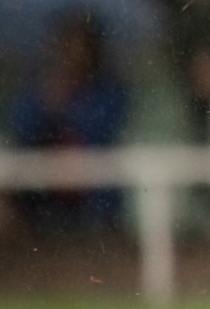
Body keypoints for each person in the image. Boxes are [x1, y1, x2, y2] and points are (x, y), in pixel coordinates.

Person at [8, 12, 129, 235]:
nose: (75, 55)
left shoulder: (108, 90)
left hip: (94, 201)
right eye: (68, 47)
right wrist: (48, 102)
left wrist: (67, 106)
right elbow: (20, 133)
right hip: (44, 201)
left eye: (81, 47)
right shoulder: (39, 89)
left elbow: (102, 131)